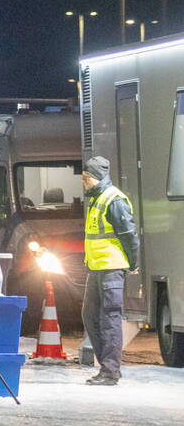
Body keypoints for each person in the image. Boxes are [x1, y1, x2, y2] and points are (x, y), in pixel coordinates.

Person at [81, 156, 139, 386]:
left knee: (110, 319)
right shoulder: (97, 199)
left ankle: (110, 371)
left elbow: (129, 235)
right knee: (90, 315)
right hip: (97, 267)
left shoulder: (113, 200)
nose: (84, 182)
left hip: (111, 267)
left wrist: (133, 263)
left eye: (86, 178)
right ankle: (107, 365)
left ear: (95, 177)